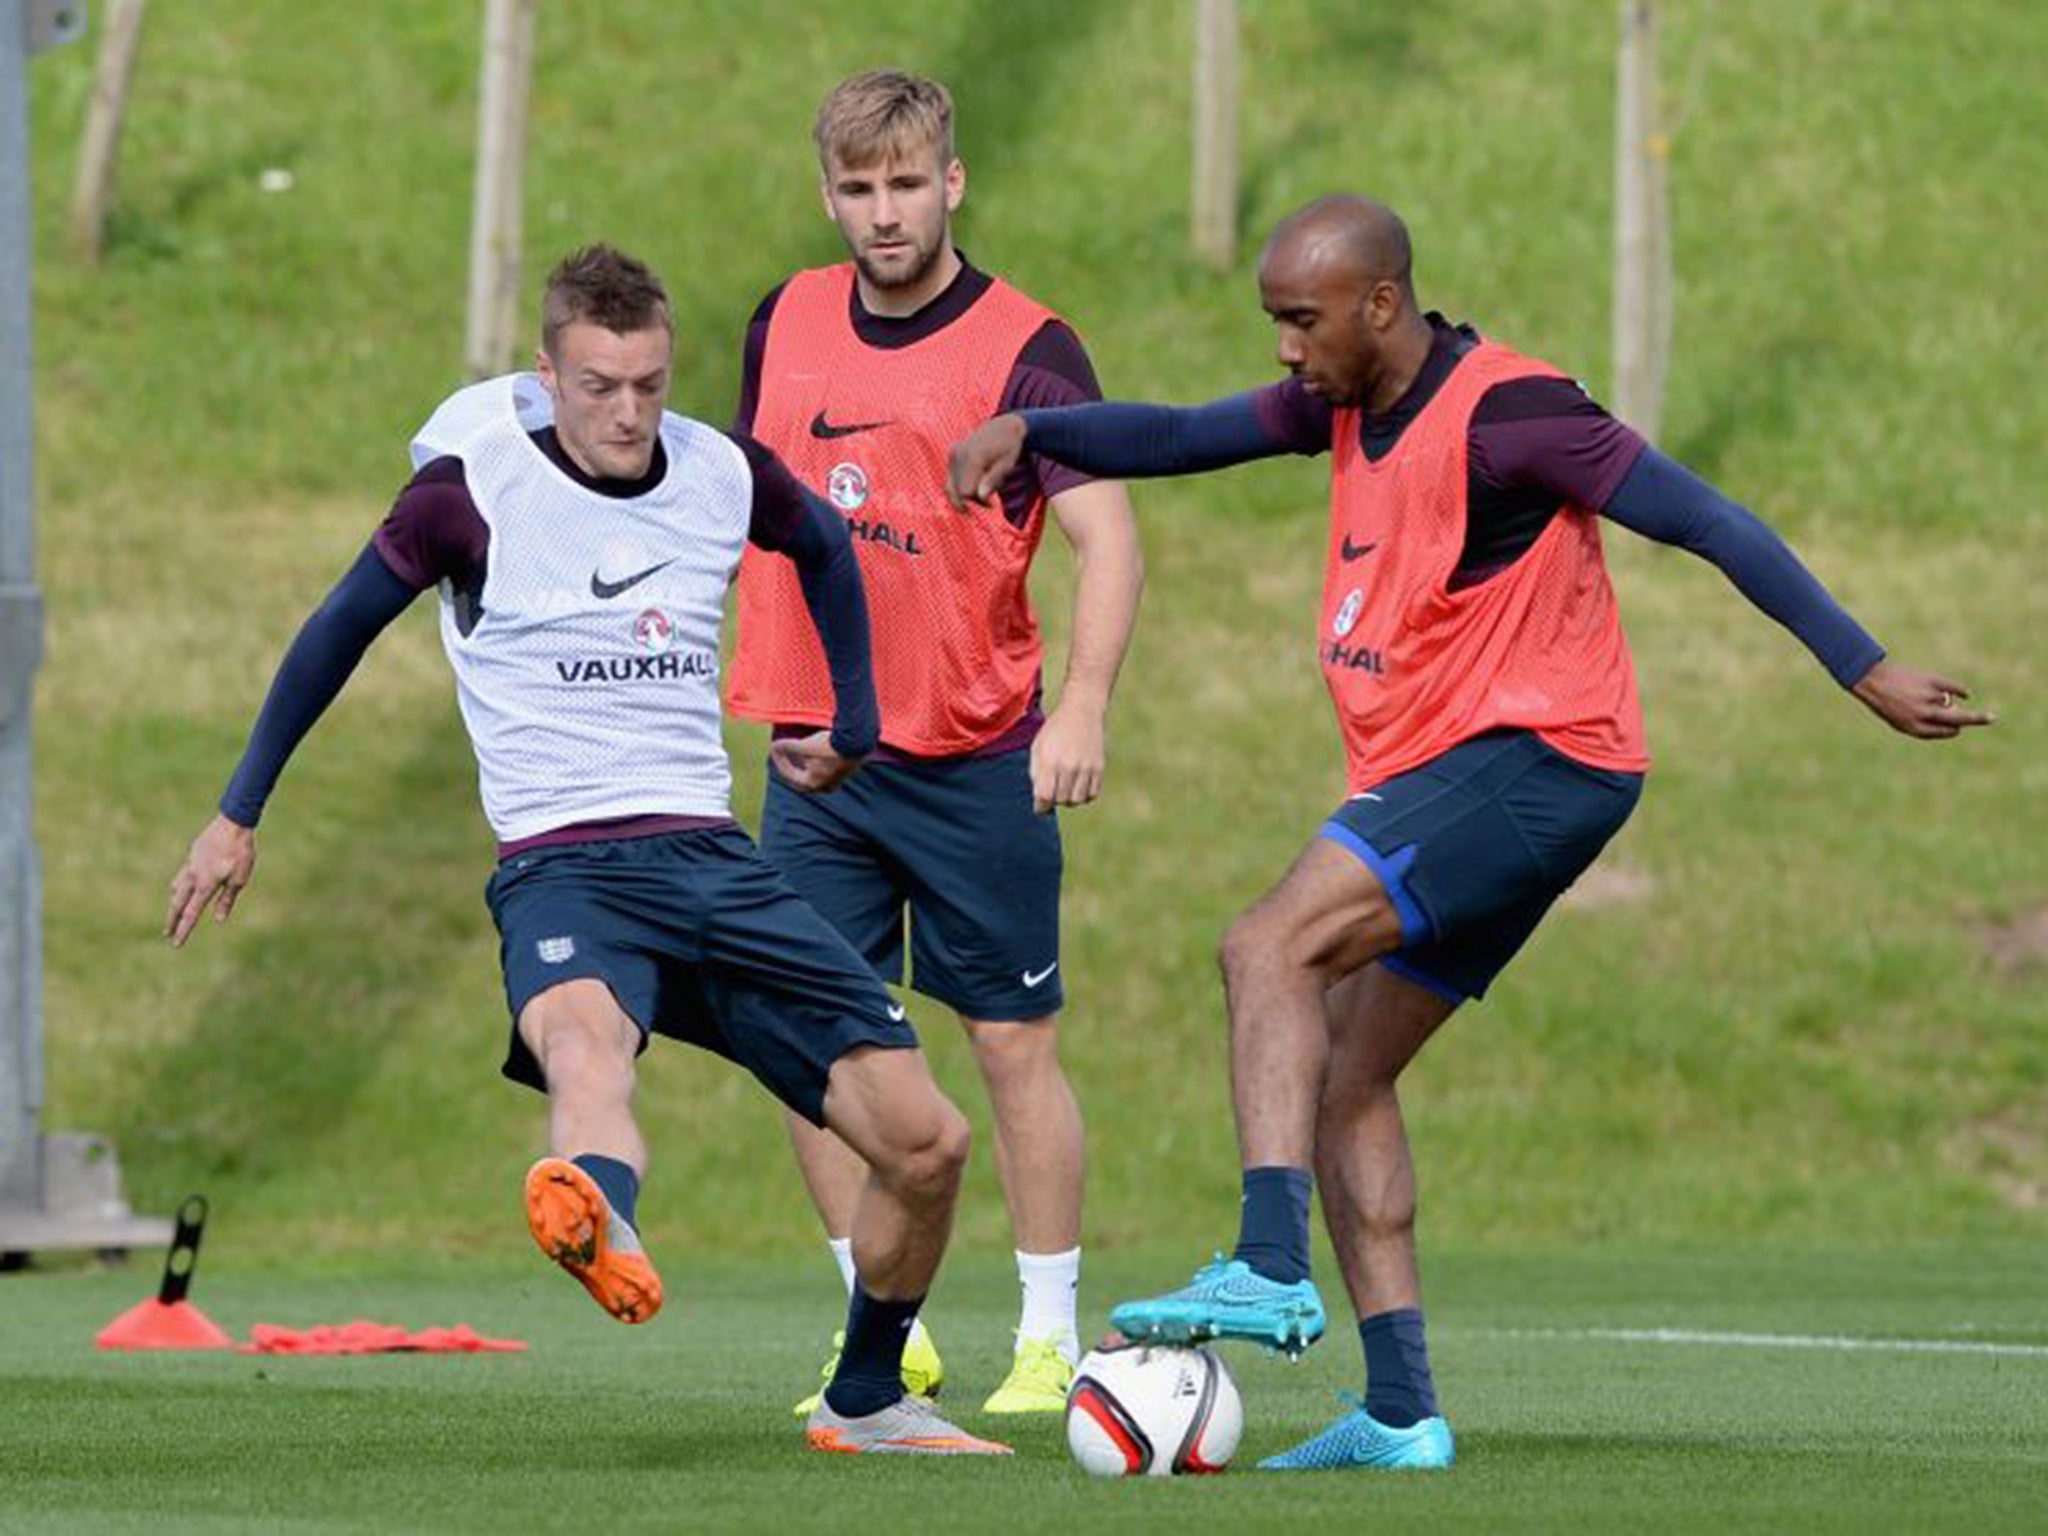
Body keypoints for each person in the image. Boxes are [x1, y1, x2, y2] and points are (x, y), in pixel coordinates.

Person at [948, 195, 1993, 1471]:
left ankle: (1271, 1263)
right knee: (1341, 1078)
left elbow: (1706, 519)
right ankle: (1399, 1411)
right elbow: (1175, 433)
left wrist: (1861, 666)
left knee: (1265, 948)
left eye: (1299, 319)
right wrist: (1031, 427)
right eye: (1273, 320)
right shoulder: (1338, 402)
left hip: (1535, 762)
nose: (1282, 348)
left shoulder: (1514, 412)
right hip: (1467, 775)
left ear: (1379, 304)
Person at [164, 244, 1011, 1457]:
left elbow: (824, 547)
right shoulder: (469, 492)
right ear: (549, 373)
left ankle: (867, 1399)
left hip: (712, 862)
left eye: (649, 385)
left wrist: (859, 721)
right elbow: (332, 635)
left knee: (927, 1142)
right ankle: (598, 1216)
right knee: (584, 1049)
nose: (627, 413)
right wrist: (237, 812)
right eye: (601, 386)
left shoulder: (719, 474)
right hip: (563, 863)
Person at [727, 70, 1143, 1416]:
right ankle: (880, 1330)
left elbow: (1109, 536)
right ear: (828, 193)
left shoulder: (1029, 345)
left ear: (953, 183)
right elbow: (732, 510)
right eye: (858, 188)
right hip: (814, 763)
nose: (884, 212)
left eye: (907, 184)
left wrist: (1080, 707)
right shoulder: (781, 320)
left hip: (972, 755)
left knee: (1011, 1044)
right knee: (810, 1044)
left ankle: (1047, 1340)